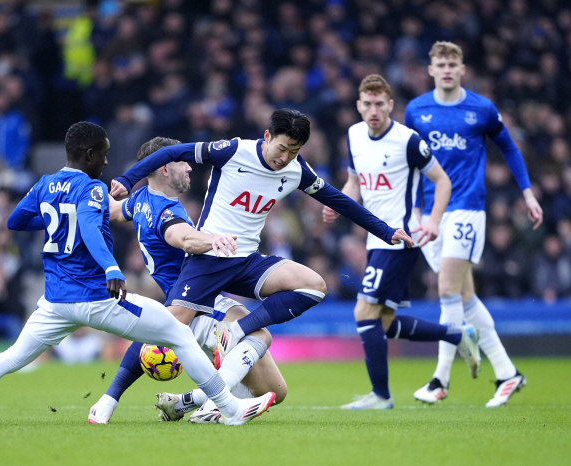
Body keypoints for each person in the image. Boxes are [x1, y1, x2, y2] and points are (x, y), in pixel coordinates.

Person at [0, 122, 275, 426]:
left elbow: (15, 220)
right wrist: (112, 267)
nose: (106, 161)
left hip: (54, 302)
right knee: (179, 334)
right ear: (89, 155)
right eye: (103, 154)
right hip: (96, 298)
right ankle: (230, 408)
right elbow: (87, 226)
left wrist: (57, 218)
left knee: (10, 357)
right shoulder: (93, 189)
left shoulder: (45, 184)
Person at [110, 109, 415, 395]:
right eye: (282, 148)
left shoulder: (296, 171)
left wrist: (385, 231)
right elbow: (169, 152)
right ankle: (111, 397)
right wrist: (126, 180)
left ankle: (235, 332)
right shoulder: (232, 151)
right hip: (208, 259)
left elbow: (339, 201)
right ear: (267, 137)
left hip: (246, 261)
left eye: (294, 151)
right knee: (170, 325)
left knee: (314, 286)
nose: (285, 158)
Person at [90, 137, 287, 425]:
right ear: (165, 169)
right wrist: (212, 239)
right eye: (183, 162)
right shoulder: (168, 211)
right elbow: (180, 237)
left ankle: (175, 402)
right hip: (199, 301)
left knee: (275, 391)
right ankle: (214, 408)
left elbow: (114, 211)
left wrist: (87, 188)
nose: (190, 168)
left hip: (180, 301)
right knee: (259, 333)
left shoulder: (140, 199)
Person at [323, 74, 480, 410]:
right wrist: (337, 206)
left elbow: (442, 181)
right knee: (383, 322)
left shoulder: (408, 141)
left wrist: (433, 220)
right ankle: (456, 335)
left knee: (363, 310)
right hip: (375, 239)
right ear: (359, 106)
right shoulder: (353, 135)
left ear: (391, 105)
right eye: (368, 103)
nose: (374, 109)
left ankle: (381, 396)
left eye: (380, 103)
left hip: (401, 238)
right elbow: (355, 182)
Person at [404, 41, 543, 407]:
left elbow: (510, 148)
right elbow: (412, 164)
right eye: (440, 64)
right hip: (432, 213)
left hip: (467, 208)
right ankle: (508, 373)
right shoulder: (417, 110)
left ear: (462, 68)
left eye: (453, 63)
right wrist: (415, 210)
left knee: (446, 288)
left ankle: (440, 380)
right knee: (465, 298)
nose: (447, 69)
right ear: (430, 70)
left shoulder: (481, 109)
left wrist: (527, 193)